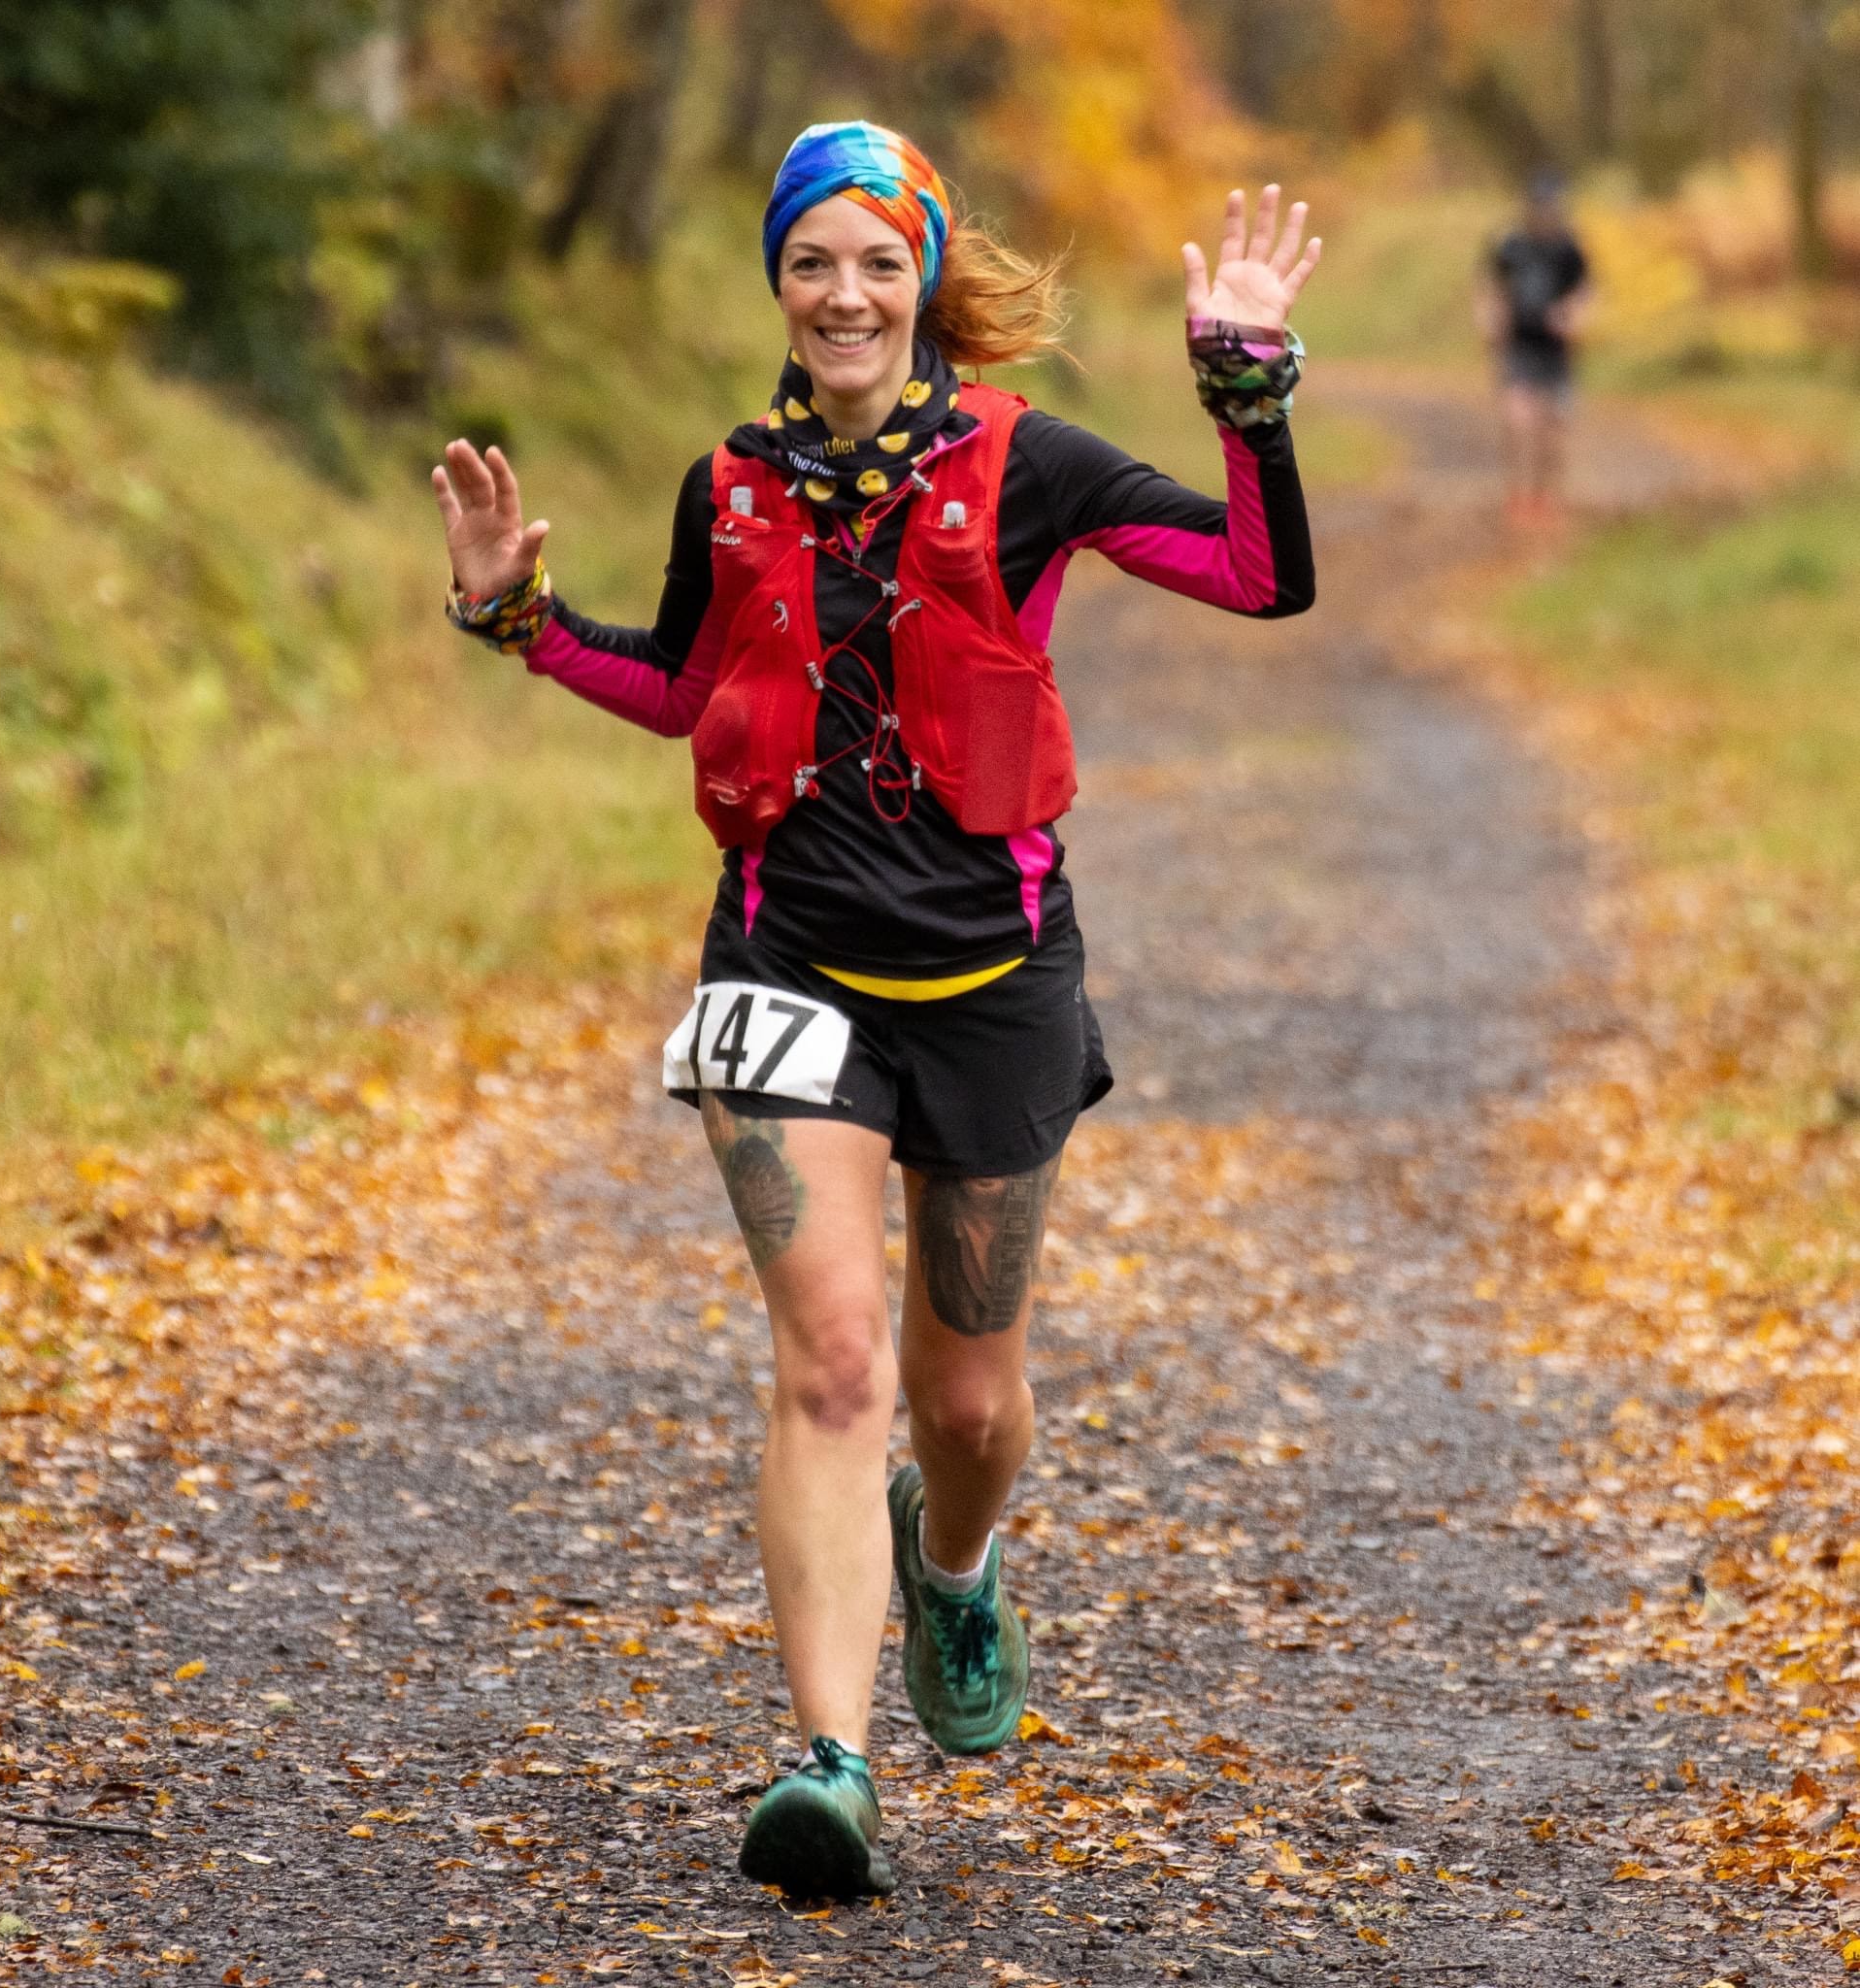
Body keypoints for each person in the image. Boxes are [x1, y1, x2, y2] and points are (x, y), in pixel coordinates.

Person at [432, 120, 1318, 1902]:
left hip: (994, 981)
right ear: (777, 279)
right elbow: (685, 691)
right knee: (830, 1364)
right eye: (812, 261)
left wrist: (1250, 398)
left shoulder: (1027, 461)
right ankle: (826, 1760)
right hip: (785, 961)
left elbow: (1258, 574)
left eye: (876, 261)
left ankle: (958, 1565)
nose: (844, 294)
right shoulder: (730, 482)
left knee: (965, 1396)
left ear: (926, 278)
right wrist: (517, 617)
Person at [1478, 169, 1592, 531]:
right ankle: (1518, 495)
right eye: (1540, 205)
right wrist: (1490, 319)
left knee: (1553, 428)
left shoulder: (1569, 250)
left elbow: (1586, 291)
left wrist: (1573, 317)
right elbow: (1488, 286)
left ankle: (1546, 497)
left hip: (1556, 352)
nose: (1545, 211)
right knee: (1518, 420)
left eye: (1551, 205)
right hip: (1519, 347)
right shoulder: (1511, 246)